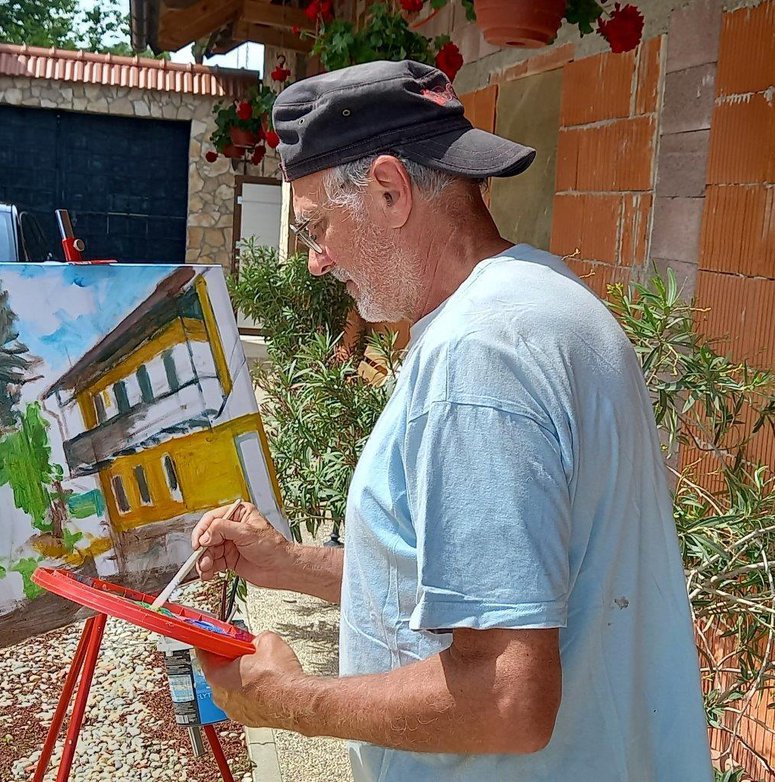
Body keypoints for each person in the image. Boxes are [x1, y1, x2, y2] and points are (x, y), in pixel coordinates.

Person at [190, 60, 712, 782]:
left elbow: (505, 695)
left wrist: (284, 699)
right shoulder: (545, 299)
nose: (314, 262)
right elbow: (485, 583)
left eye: (315, 226)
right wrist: (294, 566)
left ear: (388, 190)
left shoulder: (478, 358)